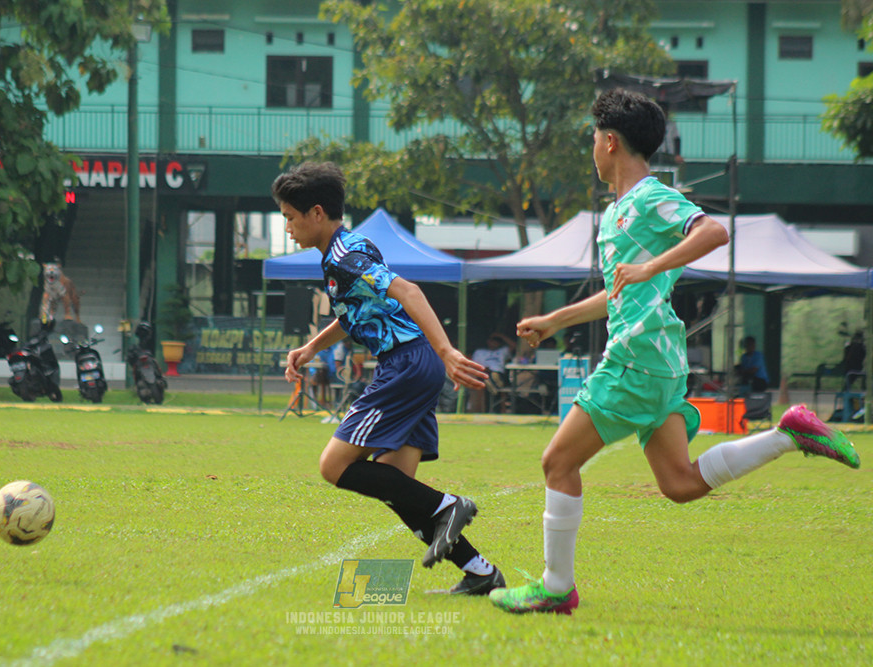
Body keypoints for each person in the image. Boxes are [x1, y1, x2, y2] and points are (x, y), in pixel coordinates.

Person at [489, 89, 860, 615]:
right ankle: (788, 433)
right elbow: (621, 291)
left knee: (556, 462)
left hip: (636, 361)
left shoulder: (647, 198)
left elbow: (713, 230)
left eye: (594, 138)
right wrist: (556, 319)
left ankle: (555, 586)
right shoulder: (621, 210)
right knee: (680, 484)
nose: (592, 148)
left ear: (610, 141)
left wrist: (651, 267)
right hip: (659, 360)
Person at [273, 161, 505, 595]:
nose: (287, 227)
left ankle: (449, 504)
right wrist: (310, 349)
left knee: (333, 465)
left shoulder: (346, 256)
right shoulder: (344, 250)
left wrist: (446, 351)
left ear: (316, 213)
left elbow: (408, 291)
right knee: (397, 486)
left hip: (408, 363)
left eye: (289, 216)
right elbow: (357, 314)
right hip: (413, 364)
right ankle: (480, 571)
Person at [469, 332, 515, 412]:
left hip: (499, 373)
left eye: (497, 342)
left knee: (494, 375)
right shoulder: (480, 352)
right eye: (493, 341)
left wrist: (501, 335)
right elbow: (474, 366)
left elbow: (514, 346)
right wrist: (485, 369)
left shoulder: (502, 351)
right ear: (488, 341)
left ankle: (493, 385)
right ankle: (495, 386)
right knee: (488, 377)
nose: (494, 343)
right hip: (484, 373)